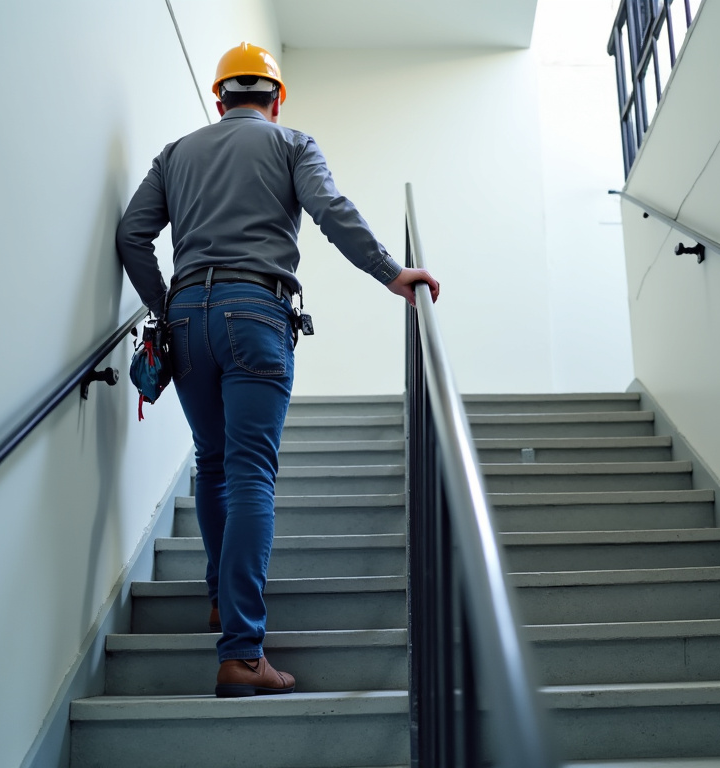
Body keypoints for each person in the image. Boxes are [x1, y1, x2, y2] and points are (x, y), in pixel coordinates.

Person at [116, 42, 439, 698]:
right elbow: (330, 212)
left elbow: (132, 234)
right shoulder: (292, 143)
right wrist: (390, 272)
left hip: (188, 316)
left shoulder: (177, 153)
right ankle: (241, 653)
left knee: (212, 462)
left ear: (219, 99)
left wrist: (165, 306)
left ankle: (219, 597)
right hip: (255, 311)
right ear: (276, 96)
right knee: (250, 475)